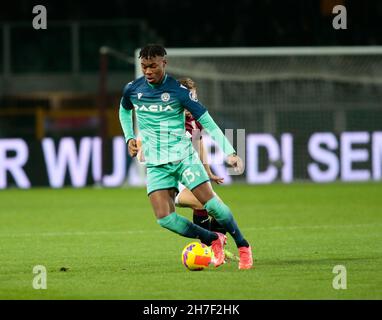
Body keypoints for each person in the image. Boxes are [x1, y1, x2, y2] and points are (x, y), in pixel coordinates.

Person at [119, 44, 253, 269]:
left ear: (164, 63)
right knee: (165, 219)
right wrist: (129, 137)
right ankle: (211, 239)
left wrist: (229, 151)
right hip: (156, 164)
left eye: (153, 66)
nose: (148, 71)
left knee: (213, 206)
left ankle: (243, 246)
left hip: (183, 158)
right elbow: (124, 109)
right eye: (144, 67)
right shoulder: (133, 89)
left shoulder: (178, 91)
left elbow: (207, 122)